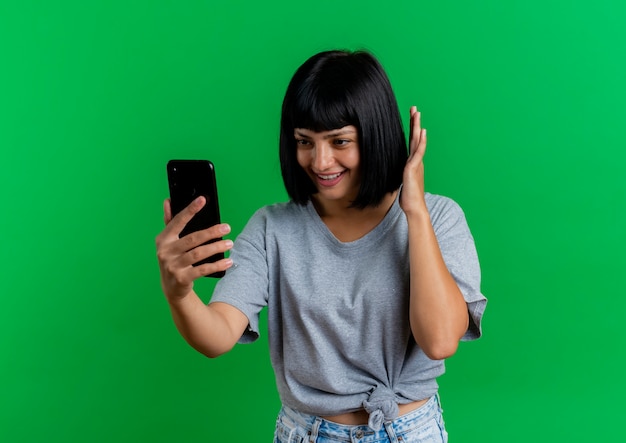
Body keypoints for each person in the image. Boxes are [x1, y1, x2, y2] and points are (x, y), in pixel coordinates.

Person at [156, 49, 487, 443]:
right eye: (304, 141)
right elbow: (217, 336)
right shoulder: (271, 228)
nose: (320, 161)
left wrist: (414, 211)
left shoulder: (440, 218)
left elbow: (439, 340)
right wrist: (179, 293)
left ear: (376, 133)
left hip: (412, 432)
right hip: (307, 433)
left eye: (340, 140)